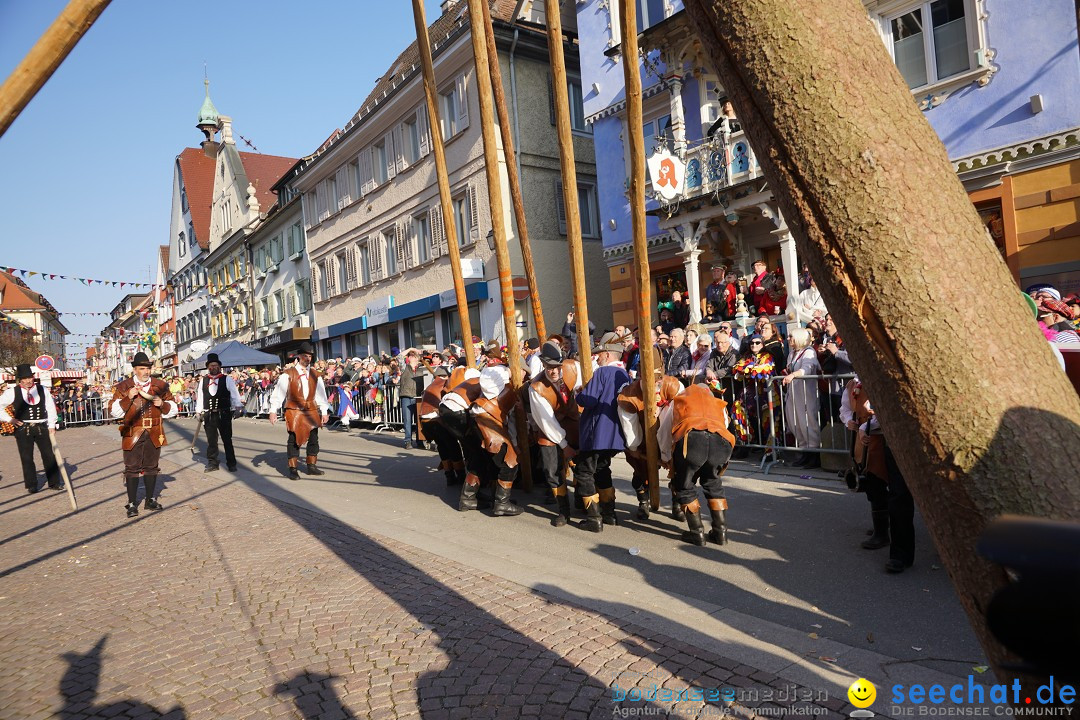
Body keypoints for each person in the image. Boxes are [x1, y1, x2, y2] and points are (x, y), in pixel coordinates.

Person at [659, 383, 736, 545]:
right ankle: (720, 533)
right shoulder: (716, 402)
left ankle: (697, 532)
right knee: (713, 482)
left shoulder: (679, 401)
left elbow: (664, 432)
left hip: (693, 440)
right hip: (720, 441)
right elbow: (725, 425)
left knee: (685, 485)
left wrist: (666, 457)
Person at [573, 332, 632, 531]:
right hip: (614, 434)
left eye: (600, 353)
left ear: (607, 354)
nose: (597, 357)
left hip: (597, 432)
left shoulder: (602, 373)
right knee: (602, 469)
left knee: (584, 472)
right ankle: (609, 513)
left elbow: (588, 400)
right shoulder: (624, 374)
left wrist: (578, 394)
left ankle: (594, 517)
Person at [109, 352, 178, 517]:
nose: (146, 372)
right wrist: (128, 398)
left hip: (154, 430)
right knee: (132, 467)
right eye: (142, 369)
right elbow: (114, 411)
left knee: (151, 467)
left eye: (148, 368)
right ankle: (132, 503)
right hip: (132, 431)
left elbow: (173, 408)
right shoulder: (123, 387)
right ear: (135, 370)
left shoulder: (160, 385)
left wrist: (163, 404)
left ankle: (150, 500)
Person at [529, 342, 582, 527]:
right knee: (551, 470)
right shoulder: (536, 387)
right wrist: (564, 445)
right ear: (543, 365)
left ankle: (584, 501)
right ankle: (563, 510)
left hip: (574, 422)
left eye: (557, 366)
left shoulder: (573, 368)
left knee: (584, 464)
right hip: (550, 429)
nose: (554, 371)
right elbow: (546, 420)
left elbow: (583, 387)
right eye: (549, 367)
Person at [269, 342, 329, 480]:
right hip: (294, 410)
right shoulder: (288, 374)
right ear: (299, 357)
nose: (307, 359)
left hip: (311, 409)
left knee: (314, 439)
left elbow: (321, 394)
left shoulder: (315, 374)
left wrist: (324, 411)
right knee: (294, 439)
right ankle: (293, 468)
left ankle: (311, 466)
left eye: (309, 356)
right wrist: (273, 410)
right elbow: (279, 393)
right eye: (305, 356)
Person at [0, 364, 62, 494]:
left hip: (41, 426)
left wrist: (51, 425)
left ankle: (54, 482)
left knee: (49, 455)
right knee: (26, 457)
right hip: (23, 428)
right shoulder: (12, 391)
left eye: (30, 378)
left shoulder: (42, 389)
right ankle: (31, 484)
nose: (28, 381)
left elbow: (50, 407)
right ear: (20, 379)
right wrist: (10, 419)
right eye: (25, 378)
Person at [194, 353, 244, 473]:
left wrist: (237, 407)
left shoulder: (227, 379)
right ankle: (212, 463)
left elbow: (234, 394)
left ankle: (231, 463)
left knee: (227, 439)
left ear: (219, 366)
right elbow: (200, 397)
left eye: (216, 365)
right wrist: (198, 411)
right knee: (211, 441)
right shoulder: (203, 380)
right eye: (211, 365)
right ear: (208, 367)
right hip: (209, 414)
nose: (213, 367)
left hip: (224, 414)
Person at [781, 328, 822, 468]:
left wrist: (793, 375)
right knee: (795, 422)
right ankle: (804, 452)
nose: (788, 339)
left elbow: (807, 368)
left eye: (791, 336)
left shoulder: (809, 352)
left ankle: (813, 454)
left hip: (806, 393)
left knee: (808, 421)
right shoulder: (792, 354)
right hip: (793, 392)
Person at [398, 349, 429, 449]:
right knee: (407, 420)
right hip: (406, 396)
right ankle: (408, 441)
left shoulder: (422, 368)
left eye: (413, 355)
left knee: (419, 420)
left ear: (417, 358)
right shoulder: (404, 368)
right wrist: (410, 349)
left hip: (419, 397)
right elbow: (399, 357)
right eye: (410, 356)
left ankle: (420, 441)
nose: (410, 357)